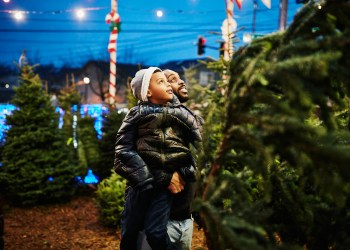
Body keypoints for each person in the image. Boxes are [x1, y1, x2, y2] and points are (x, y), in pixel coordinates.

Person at [114, 67, 202, 250]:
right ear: (147, 91)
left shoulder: (182, 114)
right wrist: (152, 179)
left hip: (173, 201)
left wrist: (186, 172)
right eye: (163, 81)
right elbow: (122, 151)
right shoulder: (137, 113)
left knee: (155, 231)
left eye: (169, 80)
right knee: (130, 233)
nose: (170, 85)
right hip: (144, 187)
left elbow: (204, 148)